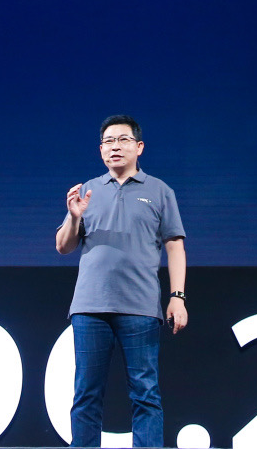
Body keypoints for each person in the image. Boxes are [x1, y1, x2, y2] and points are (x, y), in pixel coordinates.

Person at [56, 114, 186, 448]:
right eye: (108, 142)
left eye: (123, 140)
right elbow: (63, 247)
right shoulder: (87, 190)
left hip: (140, 307)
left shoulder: (160, 191)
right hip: (90, 307)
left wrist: (177, 296)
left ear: (139, 147)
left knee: (145, 393)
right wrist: (74, 217)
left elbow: (174, 245)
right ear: (100, 150)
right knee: (86, 393)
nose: (115, 147)